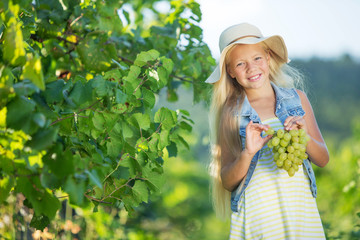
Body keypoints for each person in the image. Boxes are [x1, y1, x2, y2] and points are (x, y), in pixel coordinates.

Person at [207, 23, 329, 239]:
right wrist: (248, 153)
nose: (251, 68)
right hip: (259, 216)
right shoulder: (231, 112)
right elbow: (227, 180)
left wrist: (305, 137)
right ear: (231, 71)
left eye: (257, 58)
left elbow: (323, 159)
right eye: (240, 63)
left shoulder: (297, 99)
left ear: (268, 57)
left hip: (299, 212)